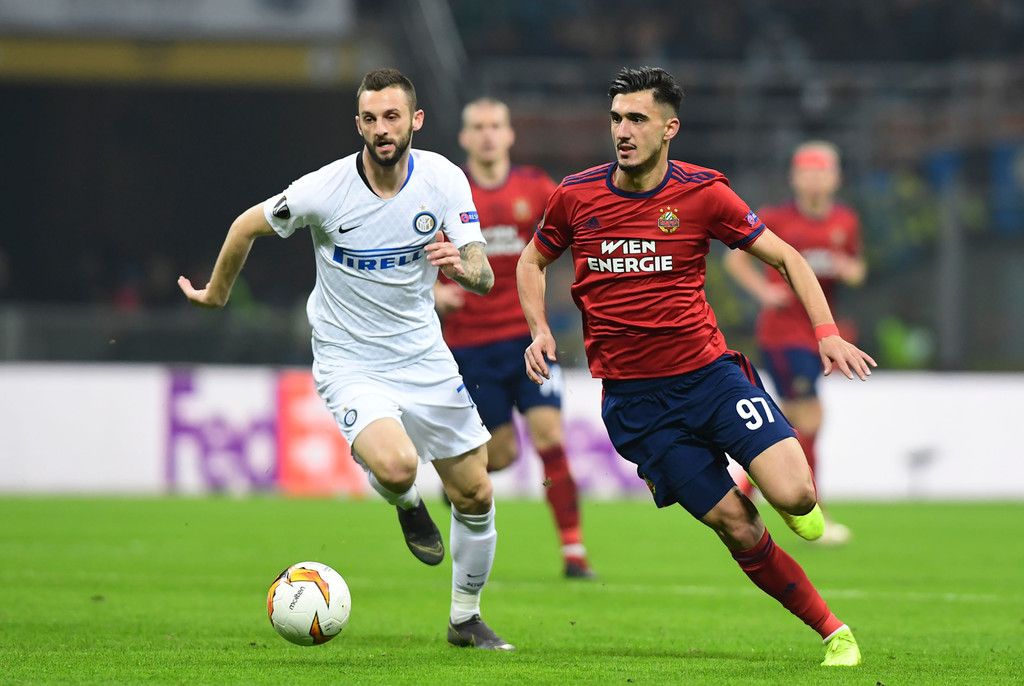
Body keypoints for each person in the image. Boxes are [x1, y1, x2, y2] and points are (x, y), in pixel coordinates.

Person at [516, 66, 874, 667]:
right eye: (616, 119)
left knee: (796, 494)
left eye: (637, 119)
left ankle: (797, 504)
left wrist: (827, 333)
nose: (623, 131)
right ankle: (833, 631)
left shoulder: (704, 193)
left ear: (669, 128)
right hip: (638, 407)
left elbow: (787, 257)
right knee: (737, 524)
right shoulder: (576, 196)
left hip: (711, 378)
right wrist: (540, 329)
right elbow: (531, 262)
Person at [178, 68, 514, 651]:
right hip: (349, 359)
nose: (382, 129)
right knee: (398, 466)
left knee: (476, 494)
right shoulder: (324, 190)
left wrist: (463, 269)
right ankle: (408, 505)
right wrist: (217, 293)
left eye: (392, 116)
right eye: (371, 118)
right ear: (358, 124)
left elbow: (483, 273)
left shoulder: (444, 179)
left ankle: (466, 620)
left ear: (416, 121)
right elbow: (244, 226)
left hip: (424, 355)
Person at [434, 97, 595, 578]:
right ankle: (459, 480)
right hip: (470, 346)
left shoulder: (535, 188)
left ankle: (574, 552)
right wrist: (433, 294)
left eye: (495, 125)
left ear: (509, 135)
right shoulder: (447, 192)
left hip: (528, 338)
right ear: (464, 138)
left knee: (550, 436)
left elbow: (574, 233)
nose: (487, 134)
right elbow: (414, 252)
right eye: (478, 126)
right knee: (501, 453)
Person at [724, 141, 865, 545]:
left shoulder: (845, 221)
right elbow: (735, 259)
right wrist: (763, 293)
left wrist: (847, 269)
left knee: (792, 421)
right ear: (795, 177)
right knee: (810, 418)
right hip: (784, 335)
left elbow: (858, 268)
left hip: (821, 334)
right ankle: (811, 512)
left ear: (836, 178)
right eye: (808, 171)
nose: (815, 179)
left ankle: (751, 485)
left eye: (822, 171)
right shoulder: (776, 218)